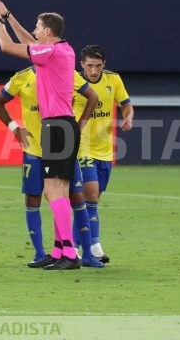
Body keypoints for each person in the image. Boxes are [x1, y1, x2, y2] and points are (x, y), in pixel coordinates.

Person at [0, 0, 94, 270]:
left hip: (57, 126)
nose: (34, 31)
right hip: (62, 125)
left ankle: (69, 254)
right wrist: (10, 15)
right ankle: (60, 251)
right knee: (57, 190)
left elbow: (7, 47)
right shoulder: (60, 50)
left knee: (52, 191)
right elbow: (30, 41)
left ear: (48, 31)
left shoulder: (52, 52)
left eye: (38, 27)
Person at [0, 65, 104, 269]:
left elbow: (92, 96)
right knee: (34, 197)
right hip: (35, 149)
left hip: (62, 147)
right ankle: (41, 254)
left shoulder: (64, 72)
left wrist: (79, 126)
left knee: (75, 195)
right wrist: (14, 128)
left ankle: (86, 254)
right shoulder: (21, 77)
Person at [73, 45, 134, 263]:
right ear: (82, 65)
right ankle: (91, 246)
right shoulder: (74, 82)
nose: (94, 71)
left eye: (98, 66)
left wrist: (128, 117)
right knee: (89, 195)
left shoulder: (113, 80)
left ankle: (79, 245)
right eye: (89, 66)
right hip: (82, 148)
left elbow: (126, 104)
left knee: (93, 199)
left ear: (104, 65)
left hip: (105, 150)